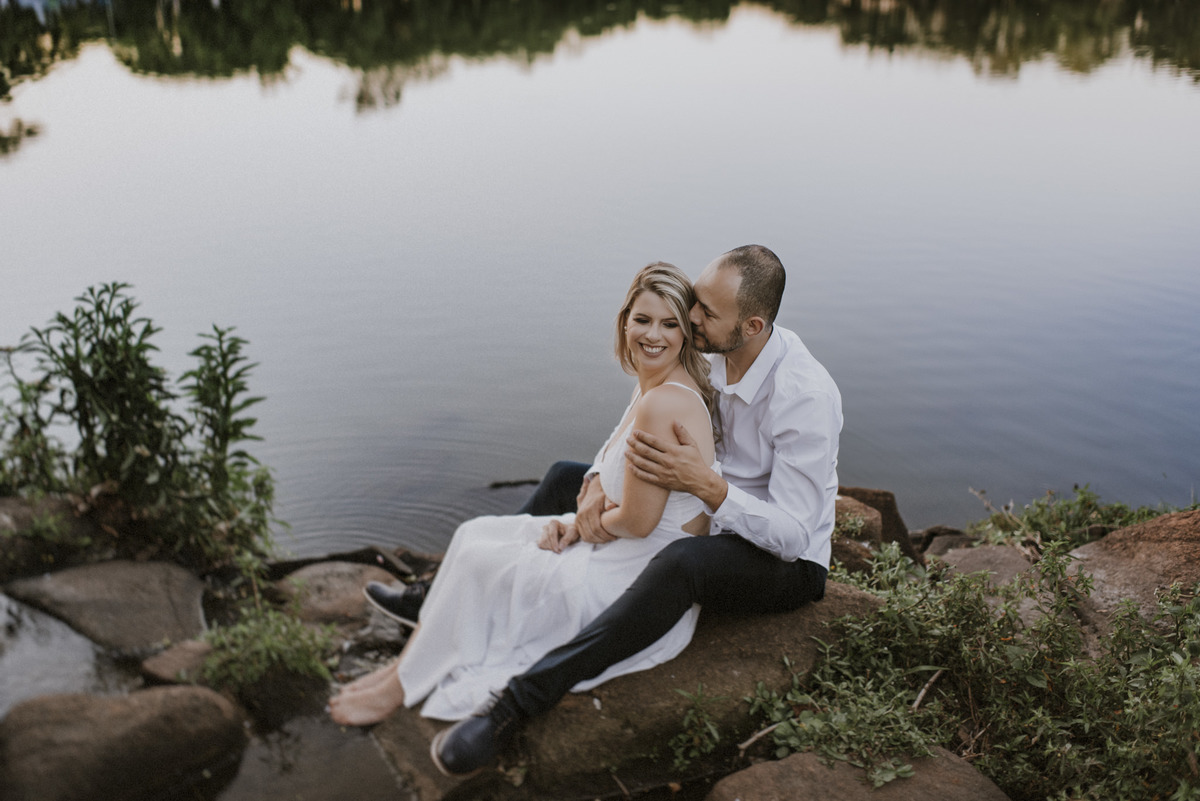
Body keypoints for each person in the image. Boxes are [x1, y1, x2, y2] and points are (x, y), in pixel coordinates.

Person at [430, 244, 842, 776]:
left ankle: (515, 705)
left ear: (753, 325)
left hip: (785, 560)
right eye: (694, 302)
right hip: (701, 500)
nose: (690, 318)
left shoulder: (804, 396)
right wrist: (600, 475)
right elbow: (645, 398)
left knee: (681, 567)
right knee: (564, 476)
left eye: (706, 313)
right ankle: (441, 590)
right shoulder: (713, 346)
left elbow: (791, 535)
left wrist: (707, 486)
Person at [328, 262, 720, 731]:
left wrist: (578, 526)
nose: (652, 334)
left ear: (685, 332)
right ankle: (402, 670)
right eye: (642, 320)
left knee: (484, 564)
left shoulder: (665, 401)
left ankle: (397, 689)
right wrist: (593, 486)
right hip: (624, 544)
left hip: (635, 572)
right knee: (474, 535)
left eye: (669, 323)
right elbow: (614, 451)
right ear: (625, 321)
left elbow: (638, 521)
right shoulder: (653, 385)